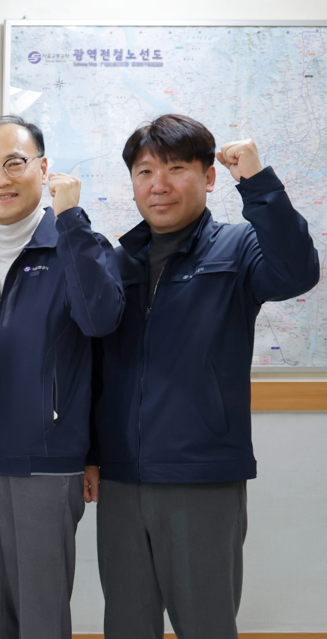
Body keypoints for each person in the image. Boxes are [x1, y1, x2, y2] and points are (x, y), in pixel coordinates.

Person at [89, 115, 319, 639]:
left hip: (201, 477)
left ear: (209, 177)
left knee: (206, 625)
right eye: (145, 171)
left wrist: (257, 183)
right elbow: (99, 368)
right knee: (125, 625)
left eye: (175, 169)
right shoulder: (118, 262)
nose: (158, 184)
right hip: (122, 479)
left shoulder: (237, 248)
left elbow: (296, 271)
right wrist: (94, 453)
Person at [0, 116, 124, 639]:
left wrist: (71, 220)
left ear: (43, 169)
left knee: (40, 619)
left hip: (46, 466)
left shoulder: (80, 247)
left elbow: (100, 321)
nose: (0, 179)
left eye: (14, 163)